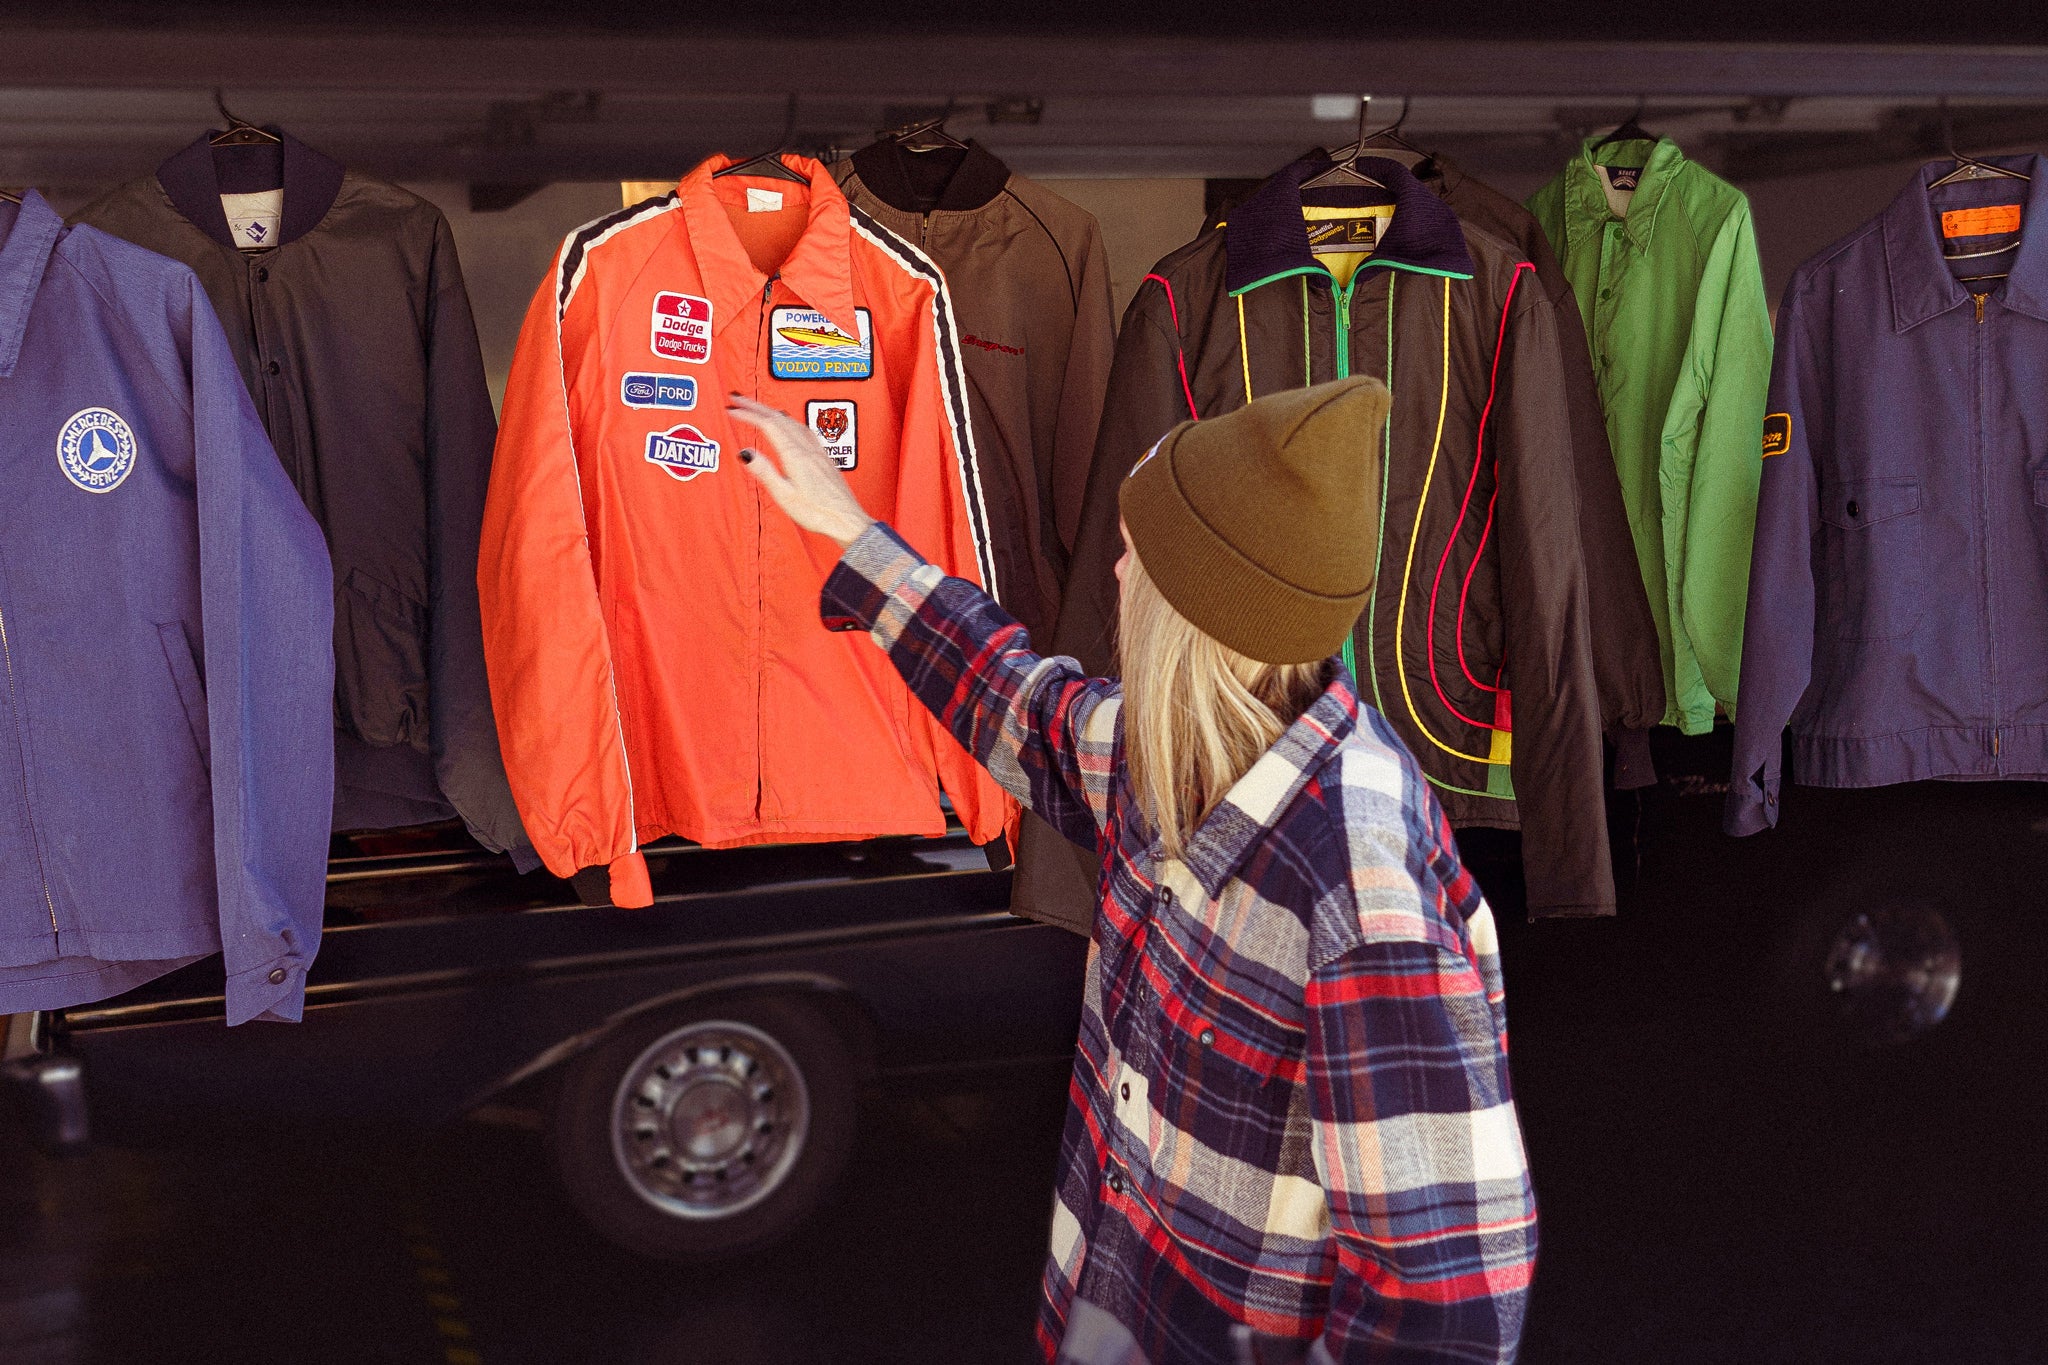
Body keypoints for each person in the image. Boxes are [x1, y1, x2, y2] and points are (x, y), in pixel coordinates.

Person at [727, 377, 1536, 1365]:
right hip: (1111, 1311)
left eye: (1135, 551)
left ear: (1197, 604)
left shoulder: (1360, 890)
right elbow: (1013, 698)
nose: (1113, 569)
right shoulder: (1156, 750)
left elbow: (1445, 1310)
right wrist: (851, 532)